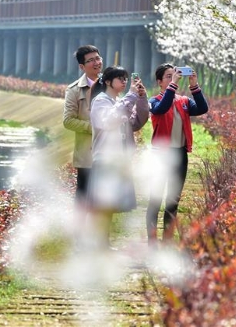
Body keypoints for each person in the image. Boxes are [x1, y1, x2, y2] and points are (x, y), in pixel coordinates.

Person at [147, 64, 208, 246]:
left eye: (174, 75)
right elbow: (161, 108)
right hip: (160, 156)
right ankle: (152, 241)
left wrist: (194, 85)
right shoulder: (154, 100)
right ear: (160, 82)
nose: (173, 78)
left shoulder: (184, 101)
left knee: (173, 200)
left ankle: (166, 241)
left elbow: (202, 108)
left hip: (180, 155)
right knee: (155, 199)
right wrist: (173, 86)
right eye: (168, 76)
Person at [88, 66, 149, 249]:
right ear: (108, 81)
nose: (124, 82)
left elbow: (137, 122)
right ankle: (97, 244)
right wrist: (130, 97)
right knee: (103, 204)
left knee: (111, 204)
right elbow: (108, 121)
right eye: (120, 79)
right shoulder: (101, 101)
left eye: (125, 79)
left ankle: (102, 244)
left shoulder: (121, 101)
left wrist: (141, 98)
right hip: (105, 159)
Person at [63, 45, 102, 203]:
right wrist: (94, 128)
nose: (96, 62)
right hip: (87, 154)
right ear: (82, 66)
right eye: (91, 60)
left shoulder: (111, 85)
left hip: (110, 153)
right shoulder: (74, 90)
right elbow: (68, 121)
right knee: (84, 196)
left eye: (98, 58)